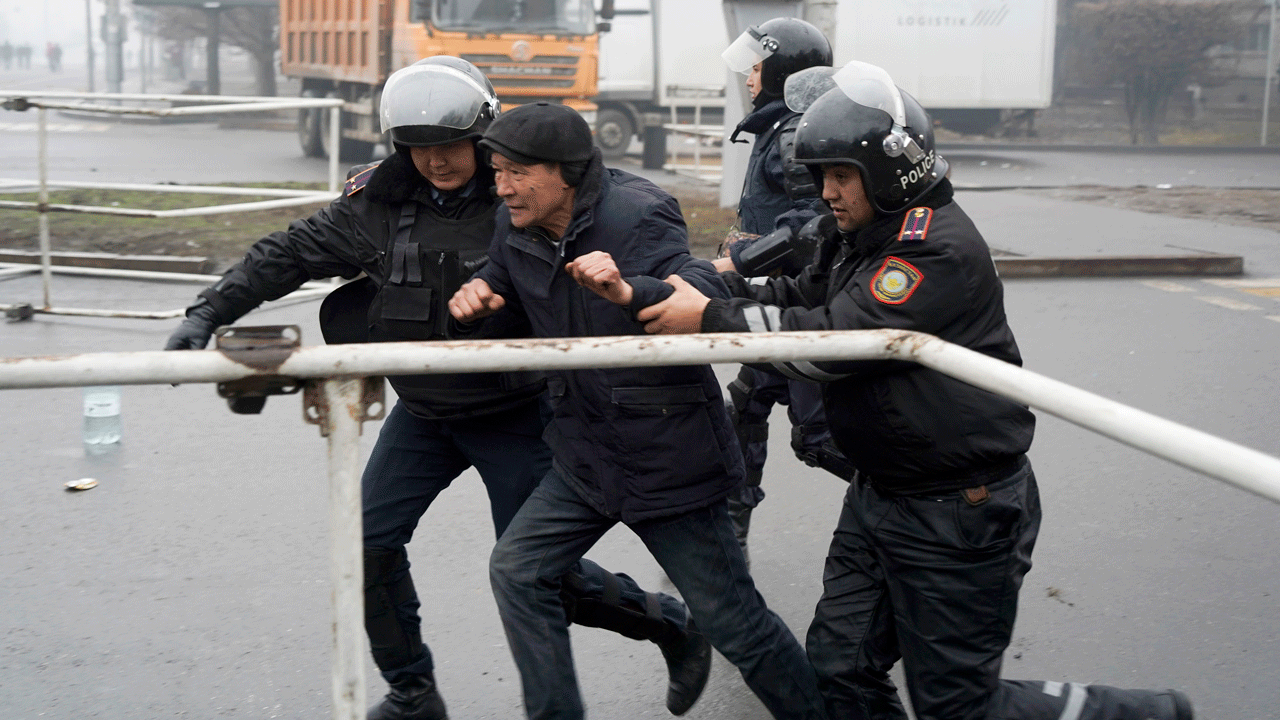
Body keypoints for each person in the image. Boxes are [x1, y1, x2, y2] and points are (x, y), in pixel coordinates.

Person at [633, 60, 1195, 720]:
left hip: (958, 507)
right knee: (840, 668)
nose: (829, 191)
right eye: (822, 175)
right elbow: (799, 296)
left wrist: (706, 319)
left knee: (957, 707)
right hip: (883, 492)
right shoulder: (864, 236)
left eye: (842, 174)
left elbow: (836, 344)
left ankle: (1145, 714)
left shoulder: (932, 249)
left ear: (891, 168)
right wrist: (715, 290)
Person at [163, 57, 711, 720]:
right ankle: (413, 690)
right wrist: (206, 313)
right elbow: (283, 255)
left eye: (450, 145)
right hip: (424, 411)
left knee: (542, 573)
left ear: (482, 138)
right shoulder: (376, 205)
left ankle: (666, 623)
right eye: (419, 147)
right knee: (363, 544)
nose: (437, 161)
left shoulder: (521, 196)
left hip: (517, 410)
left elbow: (613, 246)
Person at [448, 101, 825, 720]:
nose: (502, 185)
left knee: (737, 625)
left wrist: (626, 290)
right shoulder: (511, 225)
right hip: (584, 454)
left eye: (517, 172)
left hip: (667, 455)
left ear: (565, 172)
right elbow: (505, 288)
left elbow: (697, 287)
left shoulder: (639, 212)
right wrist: (479, 302)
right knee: (518, 572)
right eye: (497, 170)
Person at [714, 17, 843, 565]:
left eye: (758, 66)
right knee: (744, 404)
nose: (748, 77)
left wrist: (736, 260)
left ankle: (921, 503)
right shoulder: (779, 127)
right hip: (779, 299)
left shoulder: (793, 134)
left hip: (800, 303)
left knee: (816, 437)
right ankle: (727, 540)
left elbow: (811, 227)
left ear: (784, 71)